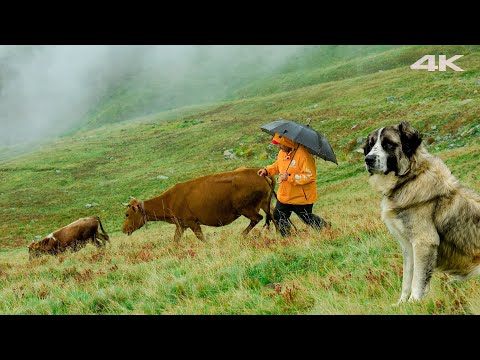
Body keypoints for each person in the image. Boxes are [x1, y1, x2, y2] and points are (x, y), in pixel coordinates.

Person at [257, 133, 329, 237]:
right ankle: (287, 238)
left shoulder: (304, 155)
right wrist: (266, 170)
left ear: (288, 142)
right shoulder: (282, 153)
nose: (279, 146)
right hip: (285, 195)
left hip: (301, 197)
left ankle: (325, 228)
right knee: (278, 216)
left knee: (307, 218)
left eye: (281, 143)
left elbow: (310, 176)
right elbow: (278, 166)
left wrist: (290, 177)